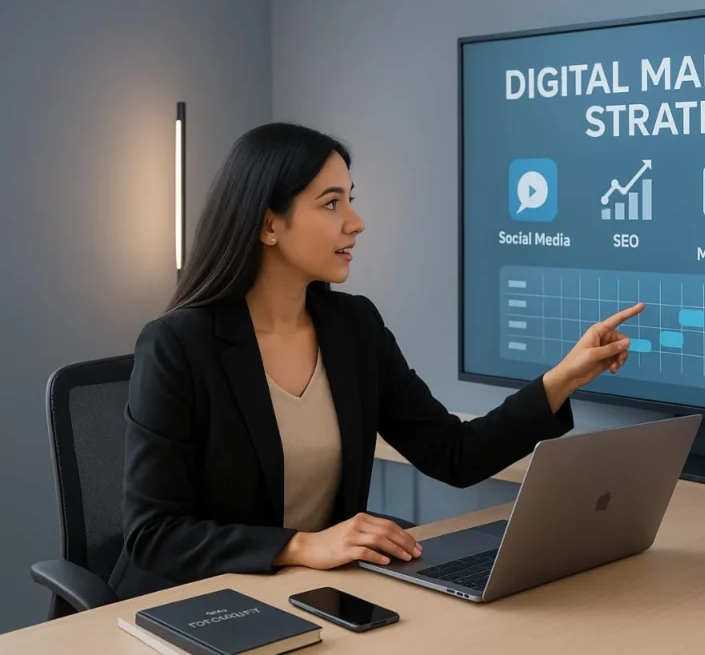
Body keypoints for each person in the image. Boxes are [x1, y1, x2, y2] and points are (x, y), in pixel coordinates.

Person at [108, 122, 643, 600]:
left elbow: (453, 454)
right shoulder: (178, 345)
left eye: (351, 200)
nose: (356, 222)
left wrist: (561, 379)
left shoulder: (354, 327)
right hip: (190, 606)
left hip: (312, 596)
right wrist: (299, 546)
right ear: (269, 225)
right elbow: (154, 533)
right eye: (331, 203)